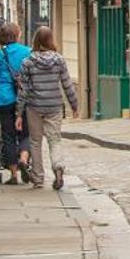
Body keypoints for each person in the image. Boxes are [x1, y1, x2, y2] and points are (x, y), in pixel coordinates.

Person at [17, 26, 80, 190]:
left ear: (35, 41)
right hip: (54, 106)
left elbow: (23, 90)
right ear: (51, 40)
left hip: (34, 106)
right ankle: (58, 168)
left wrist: (19, 113)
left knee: (35, 142)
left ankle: (38, 178)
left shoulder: (28, 62)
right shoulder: (59, 60)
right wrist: (74, 104)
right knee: (55, 140)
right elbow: (67, 84)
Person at [0, 22, 32, 184]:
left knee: (8, 135)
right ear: (17, 35)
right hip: (23, 98)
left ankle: (13, 175)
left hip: (3, 99)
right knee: (26, 132)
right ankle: (24, 159)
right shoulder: (27, 52)